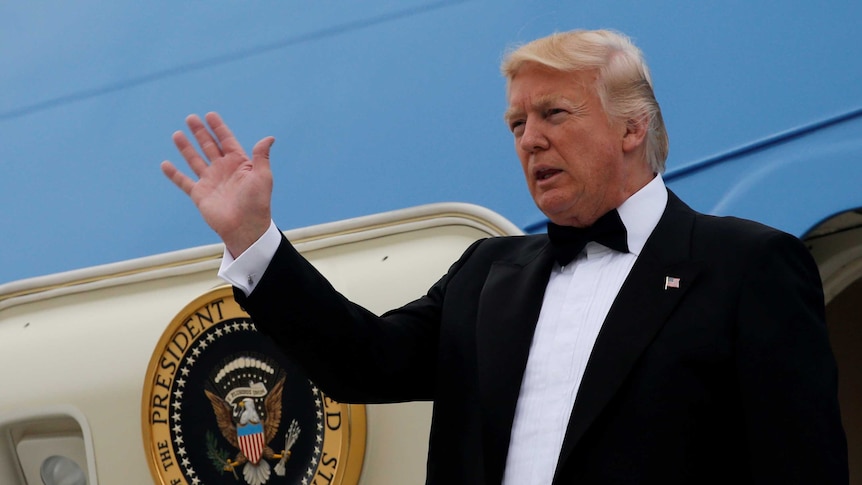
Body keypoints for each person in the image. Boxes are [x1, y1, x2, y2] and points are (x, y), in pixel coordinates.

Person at [162, 29, 848, 484]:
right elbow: (359, 359)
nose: (530, 140)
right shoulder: (487, 273)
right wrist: (254, 240)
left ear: (632, 127)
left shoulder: (747, 266)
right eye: (518, 123)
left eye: (555, 114)